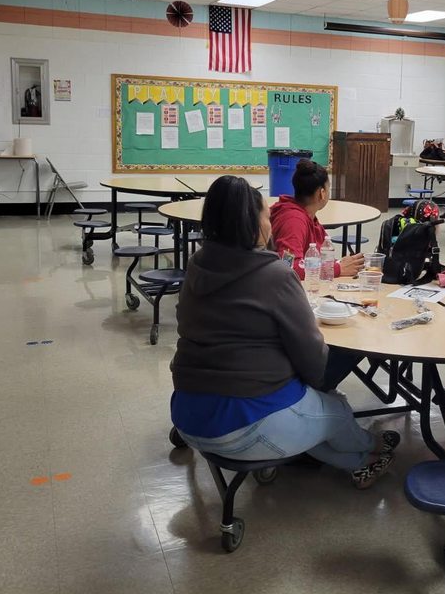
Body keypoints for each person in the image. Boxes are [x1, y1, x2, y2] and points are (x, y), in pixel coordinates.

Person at [170, 176, 398, 489]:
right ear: (251, 223)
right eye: (266, 215)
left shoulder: (197, 264)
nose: (272, 223)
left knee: (303, 411)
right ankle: (371, 448)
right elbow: (313, 360)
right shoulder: (273, 273)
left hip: (187, 415)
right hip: (244, 424)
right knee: (334, 405)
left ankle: (358, 464)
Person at [270, 160, 365, 280]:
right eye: (328, 188)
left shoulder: (308, 216)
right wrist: (337, 268)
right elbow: (289, 267)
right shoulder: (294, 221)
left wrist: (339, 263)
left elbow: (319, 257)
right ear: (322, 193)